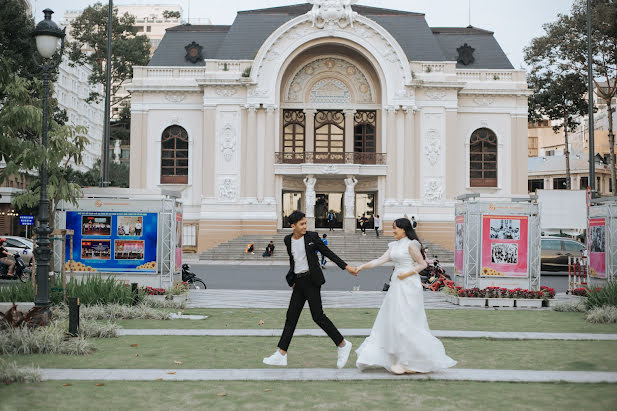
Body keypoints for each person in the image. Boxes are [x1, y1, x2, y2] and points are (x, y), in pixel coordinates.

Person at [353, 218, 456, 374]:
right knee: (393, 319)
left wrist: (407, 273)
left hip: (409, 284)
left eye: (395, 228)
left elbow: (422, 264)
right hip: (397, 284)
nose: (393, 231)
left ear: (403, 229)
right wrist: (361, 267)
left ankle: (409, 361)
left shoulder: (411, 245)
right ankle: (398, 359)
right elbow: (380, 260)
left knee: (407, 319)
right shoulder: (394, 246)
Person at [263, 210, 358, 368]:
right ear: (293, 226)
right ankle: (281, 354)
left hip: (312, 281)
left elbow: (328, 253)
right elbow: (294, 261)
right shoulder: (288, 240)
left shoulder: (312, 237)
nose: (305, 226)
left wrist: (347, 267)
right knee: (291, 317)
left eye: (305, 223)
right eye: (302, 224)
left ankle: (342, 344)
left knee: (318, 316)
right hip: (299, 282)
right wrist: (292, 278)